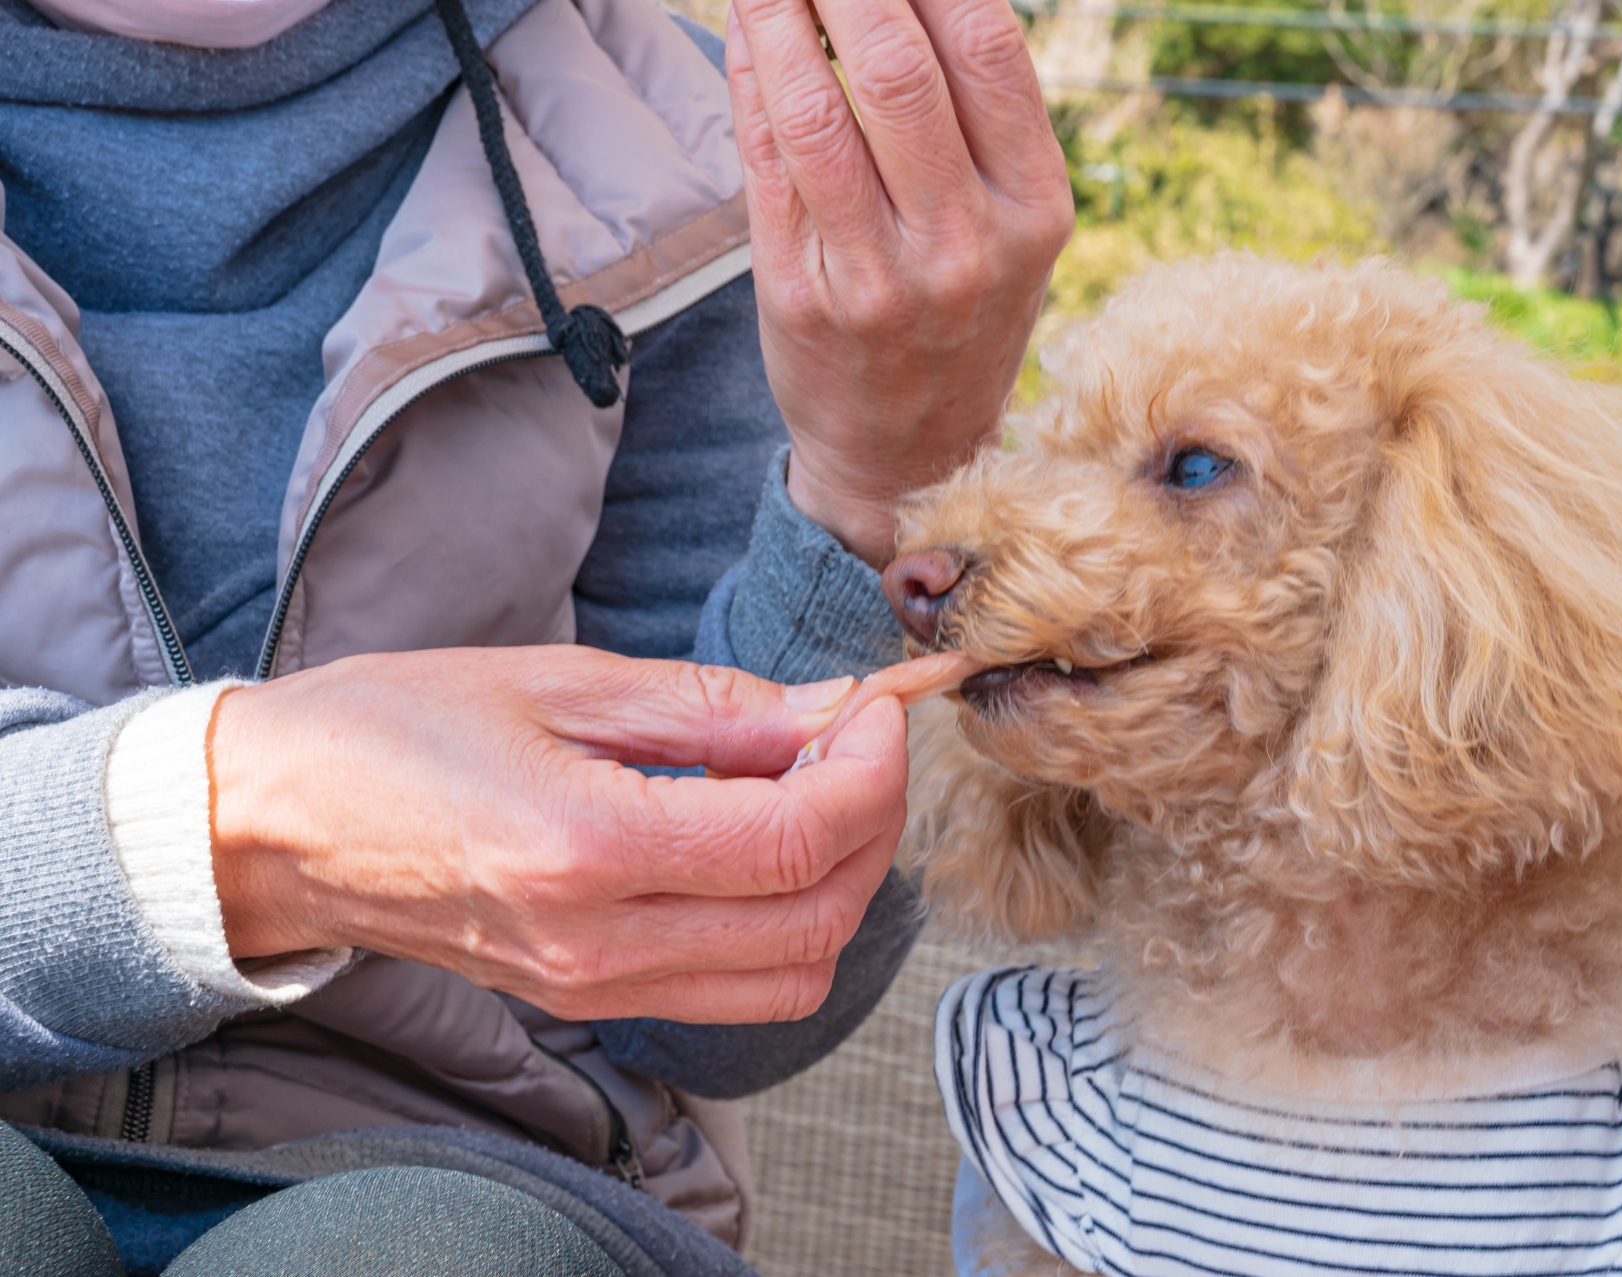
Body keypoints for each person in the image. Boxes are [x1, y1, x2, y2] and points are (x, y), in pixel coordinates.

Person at [0, 0, 1072, 1272]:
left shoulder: (701, 160)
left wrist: (886, 484)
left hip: (475, 1176)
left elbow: (719, 1023)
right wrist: (248, 822)